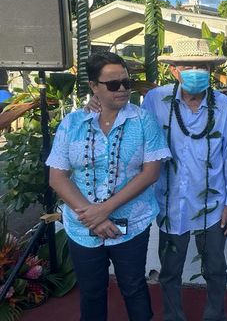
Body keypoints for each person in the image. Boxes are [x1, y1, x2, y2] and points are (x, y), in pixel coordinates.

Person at [46, 52, 171, 321]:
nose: (123, 89)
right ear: (94, 86)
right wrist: (92, 216)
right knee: (91, 292)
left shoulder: (143, 121)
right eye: (113, 85)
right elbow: (57, 177)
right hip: (83, 225)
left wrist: (104, 210)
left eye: (127, 82)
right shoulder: (73, 124)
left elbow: (150, 173)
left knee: (134, 286)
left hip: (132, 222)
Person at [144, 38, 227, 321]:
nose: (196, 71)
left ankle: (215, 316)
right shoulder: (155, 101)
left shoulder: (225, 107)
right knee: (170, 270)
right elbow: (136, 131)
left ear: (211, 70)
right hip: (169, 202)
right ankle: (173, 317)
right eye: (188, 66)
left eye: (202, 66)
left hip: (213, 205)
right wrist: (94, 105)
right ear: (174, 70)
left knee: (215, 268)